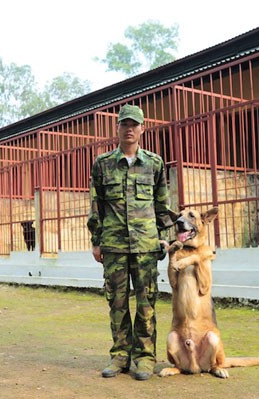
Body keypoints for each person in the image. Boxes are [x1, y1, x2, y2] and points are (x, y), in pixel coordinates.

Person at [87, 104, 176, 380]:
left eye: (134, 124)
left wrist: (165, 238)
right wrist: (96, 240)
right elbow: (96, 205)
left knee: (146, 302)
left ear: (142, 129)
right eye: (124, 124)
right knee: (117, 302)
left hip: (146, 245)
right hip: (113, 245)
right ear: (117, 128)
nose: (129, 129)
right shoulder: (102, 164)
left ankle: (145, 357)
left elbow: (162, 205)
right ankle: (120, 356)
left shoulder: (155, 163)